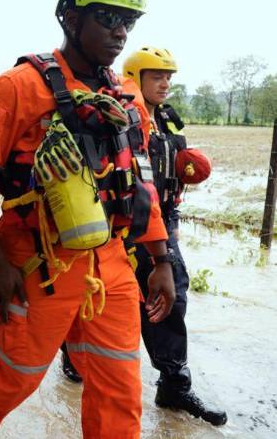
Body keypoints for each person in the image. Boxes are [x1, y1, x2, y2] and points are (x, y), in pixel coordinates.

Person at [0, 0, 177, 439]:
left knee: (120, 386)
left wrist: (160, 259)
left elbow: (138, 183)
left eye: (127, 22)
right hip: (37, 260)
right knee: (19, 374)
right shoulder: (18, 87)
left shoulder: (124, 99)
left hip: (111, 261)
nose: (120, 32)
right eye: (107, 18)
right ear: (71, 18)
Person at [120, 47, 225, 425]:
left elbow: (171, 178)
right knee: (111, 298)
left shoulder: (168, 121)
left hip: (160, 223)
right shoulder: (124, 119)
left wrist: (174, 218)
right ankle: (77, 356)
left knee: (172, 294)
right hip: (128, 224)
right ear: (136, 76)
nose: (165, 83)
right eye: (157, 76)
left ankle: (173, 386)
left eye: (169, 77)